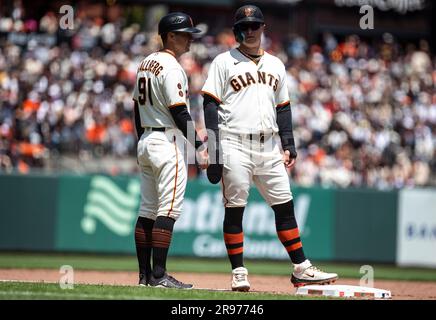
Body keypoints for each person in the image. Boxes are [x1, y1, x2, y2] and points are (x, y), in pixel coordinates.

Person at [201, 4, 338, 291]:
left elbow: (284, 107)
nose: (250, 31)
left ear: (263, 28)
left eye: (255, 25)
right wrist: (213, 148)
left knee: (285, 206)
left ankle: (301, 268)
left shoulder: (276, 64)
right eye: (244, 26)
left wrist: (288, 143)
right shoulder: (224, 62)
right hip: (233, 142)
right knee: (235, 209)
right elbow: (210, 104)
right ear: (237, 30)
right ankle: (238, 272)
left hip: (268, 146)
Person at [132, 12, 208, 289]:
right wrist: (199, 147)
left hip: (147, 140)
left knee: (147, 210)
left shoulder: (145, 63)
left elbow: (136, 109)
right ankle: (160, 275)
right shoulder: (172, 67)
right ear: (170, 36)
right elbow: (179, 112)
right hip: (167, 141)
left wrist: (143, 141)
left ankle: (144, 277)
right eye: (185, 33)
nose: (190, 38)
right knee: (168, 210)